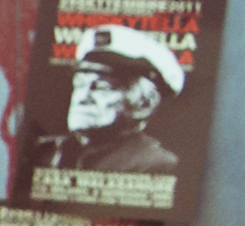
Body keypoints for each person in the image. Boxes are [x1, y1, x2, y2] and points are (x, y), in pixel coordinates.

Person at [33, 24, 183, 179]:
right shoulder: (42, 151)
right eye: (80, 84)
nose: (82, 96)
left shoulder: (157, 166)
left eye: (101, 87)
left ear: (144, 104)